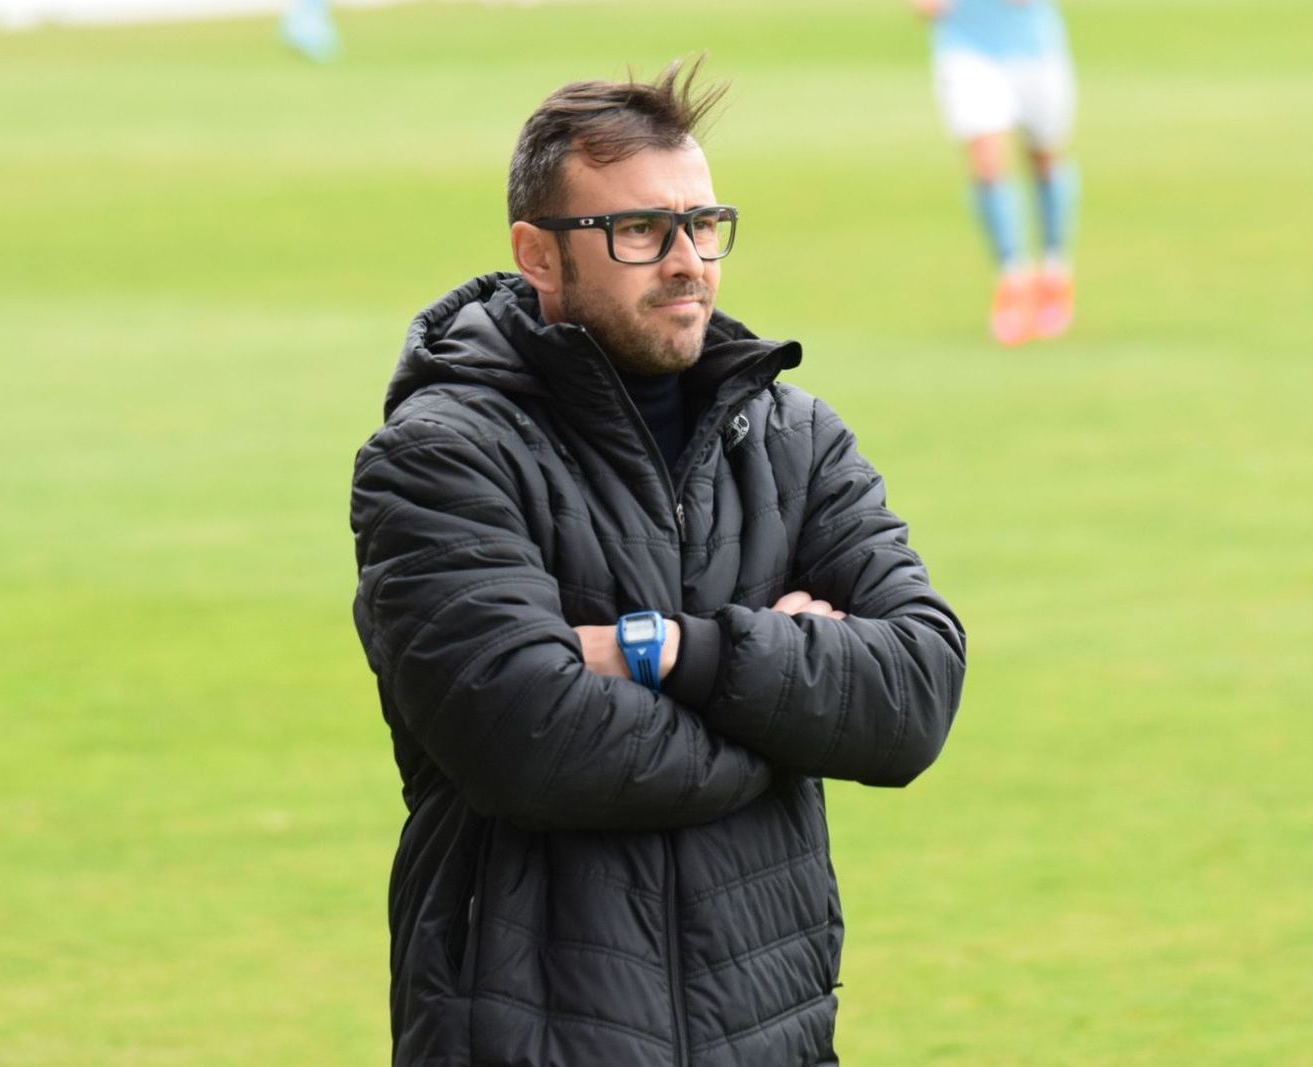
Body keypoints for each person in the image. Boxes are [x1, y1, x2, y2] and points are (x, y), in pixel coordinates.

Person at [350, 57, 967, 1067]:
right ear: (538, 254)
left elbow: (913, 695)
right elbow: (529, 738)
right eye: (639, 230)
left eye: (702, 224)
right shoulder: (439, 455)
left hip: (769, 1032)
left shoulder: (794, 438)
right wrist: (785, 714)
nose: (687, 261)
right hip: (530, 1036)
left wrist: (666, 651)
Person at [913, 0, 1081, 345]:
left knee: (1044, 158)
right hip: (967, 50)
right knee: (988, 165)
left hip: (1035, 50)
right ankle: (1013, 279)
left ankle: (1054, 271)